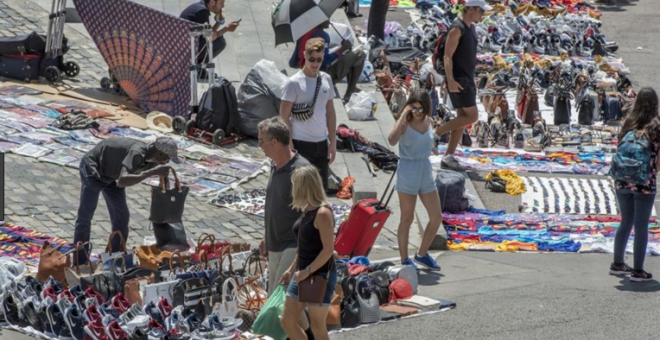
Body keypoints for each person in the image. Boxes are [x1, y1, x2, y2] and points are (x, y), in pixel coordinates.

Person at [72, 137, 181, 265]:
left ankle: (114, 259)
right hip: (93, 170)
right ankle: (79, 262)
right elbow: (123, 180)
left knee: (122, 217)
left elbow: (120, 181)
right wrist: (151, 172)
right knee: (85, 215)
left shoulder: (155, 161)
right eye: (167, 158)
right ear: (160, 153)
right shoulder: (137, 152)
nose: (166, 162)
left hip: (112, 177)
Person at [256, 117, 315, 338]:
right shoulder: (275, 166)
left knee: (279, 305)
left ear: (275, 142)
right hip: (275, 244)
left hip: (292, 246)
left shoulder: (300, 170)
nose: (259, 145)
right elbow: (276, 205)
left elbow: (312, 215)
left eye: (262, 140)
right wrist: (266, 236)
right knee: (289, 305)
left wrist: (301, 256)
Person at [387, 89, 442, 271]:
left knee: (436, 217)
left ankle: (422, 254)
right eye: (414, 108)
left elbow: (430, 143)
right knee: (407, 217)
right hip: (408, 169)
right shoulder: (406, 122)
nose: (418, 112)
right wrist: (403, 115)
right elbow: (392, 140)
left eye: (421, 109)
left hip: (424, 169)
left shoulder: (429, 121)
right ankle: (404, 259)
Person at [280, 165, 336, 340]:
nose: (293, 189)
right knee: (287, 321)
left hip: (319, 275)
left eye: (295, 184)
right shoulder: (307, 210)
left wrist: (306, 271)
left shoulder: (322, 213)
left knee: (318, 327)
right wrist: (291, 269)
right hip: (302, 274)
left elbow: (328, 250)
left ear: (304, 186)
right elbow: (303, 246)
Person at [609, 87, 660, 282]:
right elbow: (657, 165)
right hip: (643, 183)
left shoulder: (628, 123)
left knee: (625, 222)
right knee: (641, 226)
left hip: (621, 180)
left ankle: (618, 263)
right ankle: (638, 270)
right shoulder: (656, 126)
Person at [434, 0, 489, 171]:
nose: (482, 15)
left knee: (461, 121)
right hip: (459, 80)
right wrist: (449, 80)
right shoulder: (457, 28)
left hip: (466, 78)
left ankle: (448, 157)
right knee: (472, 117)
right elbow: (447, 56)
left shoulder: (470, 27)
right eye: (480, 11)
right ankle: (434, 135)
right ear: (471, 9)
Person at [281, 38, 338, 191]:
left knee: (320, 192)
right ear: (304, 55)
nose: (315, 63)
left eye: (319, 60)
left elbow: (330, 113)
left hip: (321, 144)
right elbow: (284, 116)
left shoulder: (326, 79)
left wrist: (332, 142)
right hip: (300, 143)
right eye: (312, 59)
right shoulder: (294, 83)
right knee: (301, 192)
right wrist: (289, 144)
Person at [288, 21, 366, 104]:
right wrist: (342, 49)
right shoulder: (323, 36)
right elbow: (325, 62)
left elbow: (292, 63)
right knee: (359, 54)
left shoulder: (303, 34)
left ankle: (351, 89)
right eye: (326, 18)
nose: (329, 21)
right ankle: (350, 91)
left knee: (347, 54)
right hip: (321, 79)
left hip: (305, 75)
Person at [180, 0, 240, 76]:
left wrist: (219, 22)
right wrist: (227, 29)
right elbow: (209, 37)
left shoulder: (199, 7)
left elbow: (208, 33)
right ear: (212, 2)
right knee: (220, 42)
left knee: (217, 39)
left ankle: (199, 68)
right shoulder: (202, 11)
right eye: (221, 3)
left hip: (184, 47)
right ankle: (198, 69)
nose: (223, 6)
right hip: (188, 52)